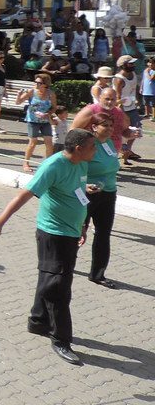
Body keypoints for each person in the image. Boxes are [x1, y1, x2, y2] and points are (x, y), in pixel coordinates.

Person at [0, 129, 97, 366]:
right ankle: (61, 340)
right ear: (78, 148)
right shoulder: (52, 166)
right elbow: (25, 194)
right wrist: (0, 221)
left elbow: (77, 194)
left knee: (49, 279)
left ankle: (38, 321)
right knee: (58, 287)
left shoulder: (81, 165)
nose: (95, 150)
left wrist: (83, 226)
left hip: (71, 233)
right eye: (92, 146)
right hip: (53, 234)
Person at [81, 113, 119, 289]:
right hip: (88, 194)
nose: (110, 129)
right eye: (106, 125)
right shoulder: (87, 145)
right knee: (76, 232)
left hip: (108, 193)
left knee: (103, 234)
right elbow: (76, 168)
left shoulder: (109, 143)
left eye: (111, 125)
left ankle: (98, 274)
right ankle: (62, 264)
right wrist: (84, 184)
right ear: (94, 127)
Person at [18, 73, 57, 172]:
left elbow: (54, 107)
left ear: (45, 84)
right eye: (35, 82)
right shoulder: (32, 91)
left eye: (39, 83)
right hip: (33, 120)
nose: (36, 84)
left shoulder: (50, 94)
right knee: (33, 142)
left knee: (49, 142)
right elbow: (18, 102)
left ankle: (48, 164)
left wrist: (47, 113)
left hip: (45, 120)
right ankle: (26, 163)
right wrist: (19, 95)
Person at [112, 55, 142, 161]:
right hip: (123, 108)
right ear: (123, 65)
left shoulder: (132, 74)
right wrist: (119, 111)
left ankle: (128, 149)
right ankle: (122, 149)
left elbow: (135, 88)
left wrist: (138, 100)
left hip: (132, 106)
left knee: (136, 129)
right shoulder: (119, 79)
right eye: (130, 63)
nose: (133, 65)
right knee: (122, 130)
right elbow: (117, 96)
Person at [143, 56, 155, 122]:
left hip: (153, 91)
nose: (150, 64)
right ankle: (147, 114)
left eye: (152, 63)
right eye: (149, 63)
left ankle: (153, 116)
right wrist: (142, 87)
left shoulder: (150, 71)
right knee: (146, 103)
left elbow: (151, 78)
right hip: (146, 90)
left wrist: (146, 72)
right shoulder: (146, 70)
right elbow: (143, 80)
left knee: (153, 104)